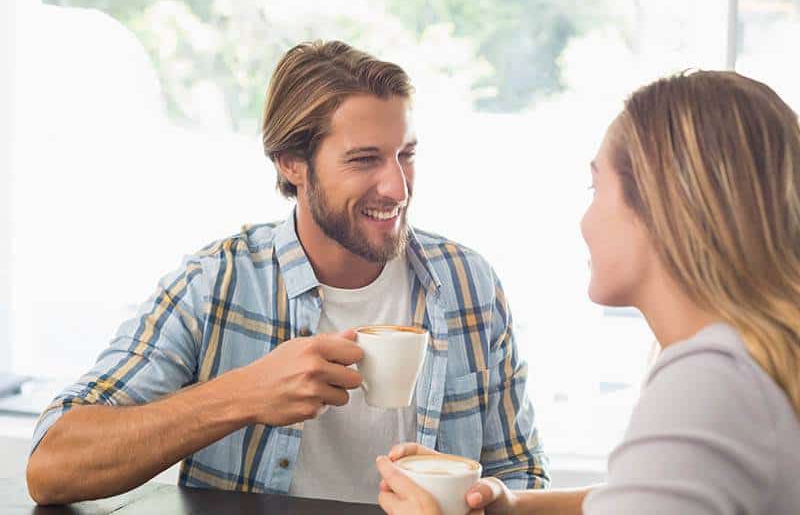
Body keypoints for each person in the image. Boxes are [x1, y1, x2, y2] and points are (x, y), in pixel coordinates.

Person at [25, 40, 549, 505]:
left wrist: (490, 500)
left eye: (405, 155)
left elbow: (521, 474)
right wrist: (242, 395)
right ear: (291, 164)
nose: (397, 188)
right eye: (365, 160)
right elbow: (52, 465)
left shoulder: (467, 283)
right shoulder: (217, 283)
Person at [375, 70, 800, 515]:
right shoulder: (751, 366)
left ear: (662, 207)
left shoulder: (708, 384)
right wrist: (513, 505)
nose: (585, 222)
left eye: (597, 188)